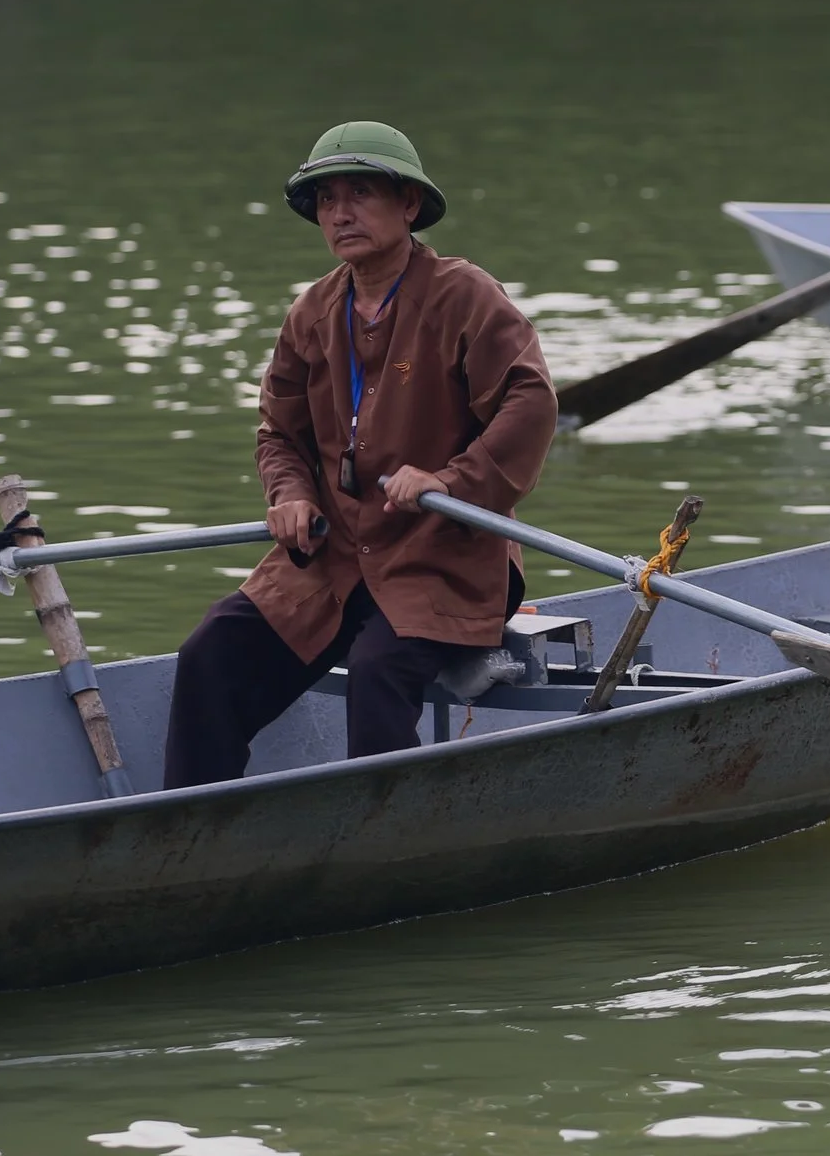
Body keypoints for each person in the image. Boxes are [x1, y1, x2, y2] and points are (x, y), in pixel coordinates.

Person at [162, 120, 557, 787]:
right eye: (325, 199)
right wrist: (289, 494)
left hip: (443, 555)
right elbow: (278, 431)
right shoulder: (311, 313)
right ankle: (190, 830)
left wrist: (450, 481)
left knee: (378, 674)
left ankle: (381, 848)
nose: (340, 213)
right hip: (333, 556)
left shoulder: (466, 296)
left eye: (361, 192)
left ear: (408, 205)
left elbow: (530, 403)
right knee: (210, 652)